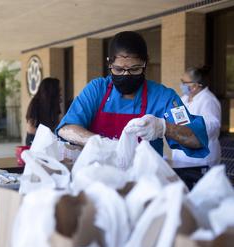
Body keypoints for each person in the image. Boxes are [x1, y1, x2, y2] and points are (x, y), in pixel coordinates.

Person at [56, 31, 209, 159]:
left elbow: (196, 139)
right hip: (96, 176)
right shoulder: (97, 89)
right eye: (119, 69)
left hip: (143, 182)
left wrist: (164, 127)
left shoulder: (163, 97)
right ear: (109, 64)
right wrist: (101, 142)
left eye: (135, 69)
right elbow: (66, 128)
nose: (126, 75)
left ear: (146, 63)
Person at [172, 66, 221, 166]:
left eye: (184, 82)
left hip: (200, 159)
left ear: (195, 85)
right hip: (181, 156)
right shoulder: (184, 98)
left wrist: (190, 128)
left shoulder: (208, 100)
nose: (181, 85)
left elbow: (213, 125)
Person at [25, 77, 62, 145]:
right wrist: (48, 135)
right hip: (35, 140)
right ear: (52, 90)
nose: (60, 91)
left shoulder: (55, 104)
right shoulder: (35, 103)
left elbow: (58, 123)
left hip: (50, 141)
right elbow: (31, 129)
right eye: (58, 89)